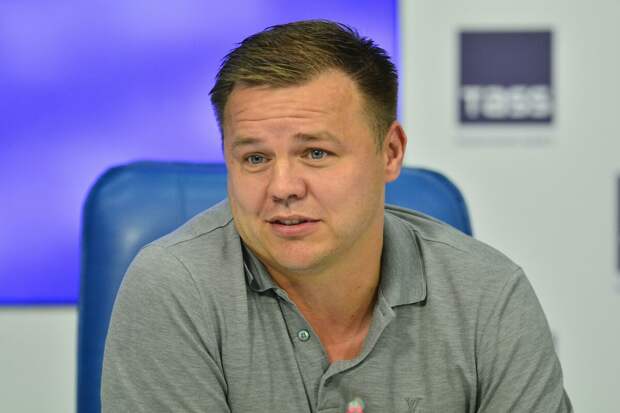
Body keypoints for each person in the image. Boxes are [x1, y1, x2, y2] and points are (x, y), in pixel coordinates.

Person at [102, 20, 572, 412]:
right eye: (255, 159)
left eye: (316, 153)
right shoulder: (174, 287)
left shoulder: (488, 293)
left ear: (390, 153)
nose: (283, 187)